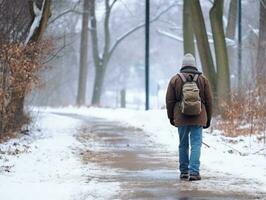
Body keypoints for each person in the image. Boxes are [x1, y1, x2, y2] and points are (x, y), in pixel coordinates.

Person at [165, 53, 212, 181]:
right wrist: (208, 118)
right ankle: (194, 172)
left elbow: (169, 100)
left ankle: (184, 172)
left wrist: (171, 117)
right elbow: (209, 101)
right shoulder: (203, 79)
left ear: (183, 65)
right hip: (199, 116)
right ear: (194, 65)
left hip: (181, 116)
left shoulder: (175, 79)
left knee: (183, 145)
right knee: (196, 144)